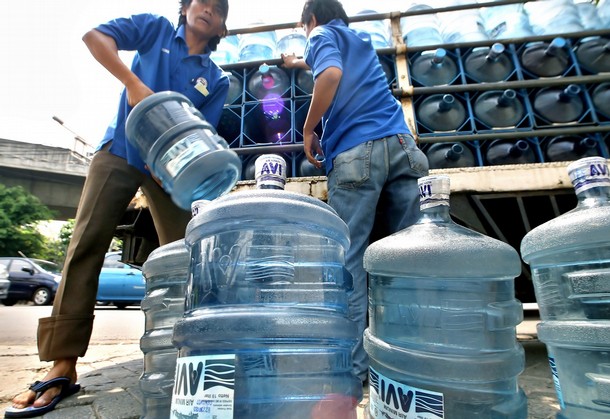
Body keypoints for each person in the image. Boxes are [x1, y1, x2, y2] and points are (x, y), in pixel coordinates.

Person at [6, 0, 230, 417]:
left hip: (168, 170)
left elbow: (202, 131)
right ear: (185, 8)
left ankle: (190, 357)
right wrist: (132, 82)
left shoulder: (216, 79)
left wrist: (181, 174)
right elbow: (96, 37)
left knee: (188, 260)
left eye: (219, 9)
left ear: (222, 27)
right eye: (202, 1)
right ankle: (64, 364)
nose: (208, 9)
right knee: (85, 245)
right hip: (121, 151)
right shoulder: (156, 31)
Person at [281, 0, 429, 383]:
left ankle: (353, 373)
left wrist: (310, 128)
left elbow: (329, 73)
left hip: (356, 152)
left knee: (349, 262)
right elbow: (334, 65)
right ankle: (410, 365)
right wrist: (299, 62)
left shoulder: (319, 34)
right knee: (408, 261)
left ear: (310, 20)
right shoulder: (359, 39)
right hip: (403, 148)